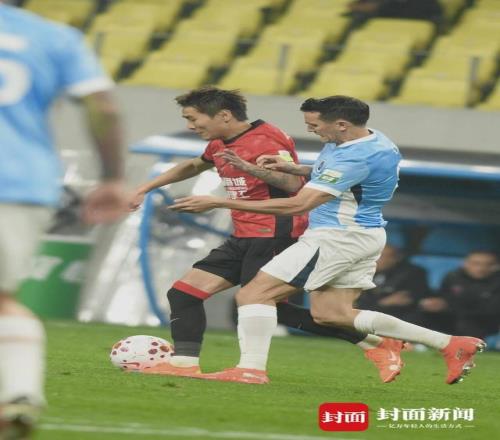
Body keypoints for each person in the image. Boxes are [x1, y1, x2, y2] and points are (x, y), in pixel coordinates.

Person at [171, 95, 486, 385]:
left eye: (315, 125)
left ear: (341, 124)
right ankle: (450, 344)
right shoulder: (372, 140)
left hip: (336, 237)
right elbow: (344, 177)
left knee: (254, 294)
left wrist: (219, 202)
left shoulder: (355, 156)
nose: (312, 131)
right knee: (332, 314)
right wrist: (296, 168)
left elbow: (299, 204)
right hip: (363, 234)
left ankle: (250, 370)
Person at [129, 86, 404, 383]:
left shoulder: (267, 138)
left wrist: (244, 173)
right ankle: (183, 364)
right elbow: (195, 165)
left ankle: (373, 342)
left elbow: (291, 185)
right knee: (184, 293)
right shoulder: (219, 142)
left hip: (275, 233)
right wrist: (144, 188)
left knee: (262, 303)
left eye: (193, 118)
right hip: (244, 234)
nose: (190, 126)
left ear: (223, 115)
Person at [0, 2, 129, 438]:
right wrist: (112, 177)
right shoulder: (54, 37)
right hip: (19, 182)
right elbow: (103, 108)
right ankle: (20, 392)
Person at [419, 250, 500, 339]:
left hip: (483, 321)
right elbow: (442, 297)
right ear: (465, 264)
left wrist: (449, 306)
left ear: (496, 266)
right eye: (476, 263)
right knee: (422, 314)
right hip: (451, 317)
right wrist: (434, 304)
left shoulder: (497, 282)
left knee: (467, 323)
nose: (481, 268)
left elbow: (491, 310)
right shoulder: (453, 276)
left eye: (488, 265)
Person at [356, 244, 431, 322]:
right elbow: (360, 303)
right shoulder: (367, 272)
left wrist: (381, 303)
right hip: (370, 315)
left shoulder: (413, 273)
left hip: (400, 318)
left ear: (395, 258)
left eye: (381, 256)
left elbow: (410, 300)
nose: (375, 260)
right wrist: (383, 303)